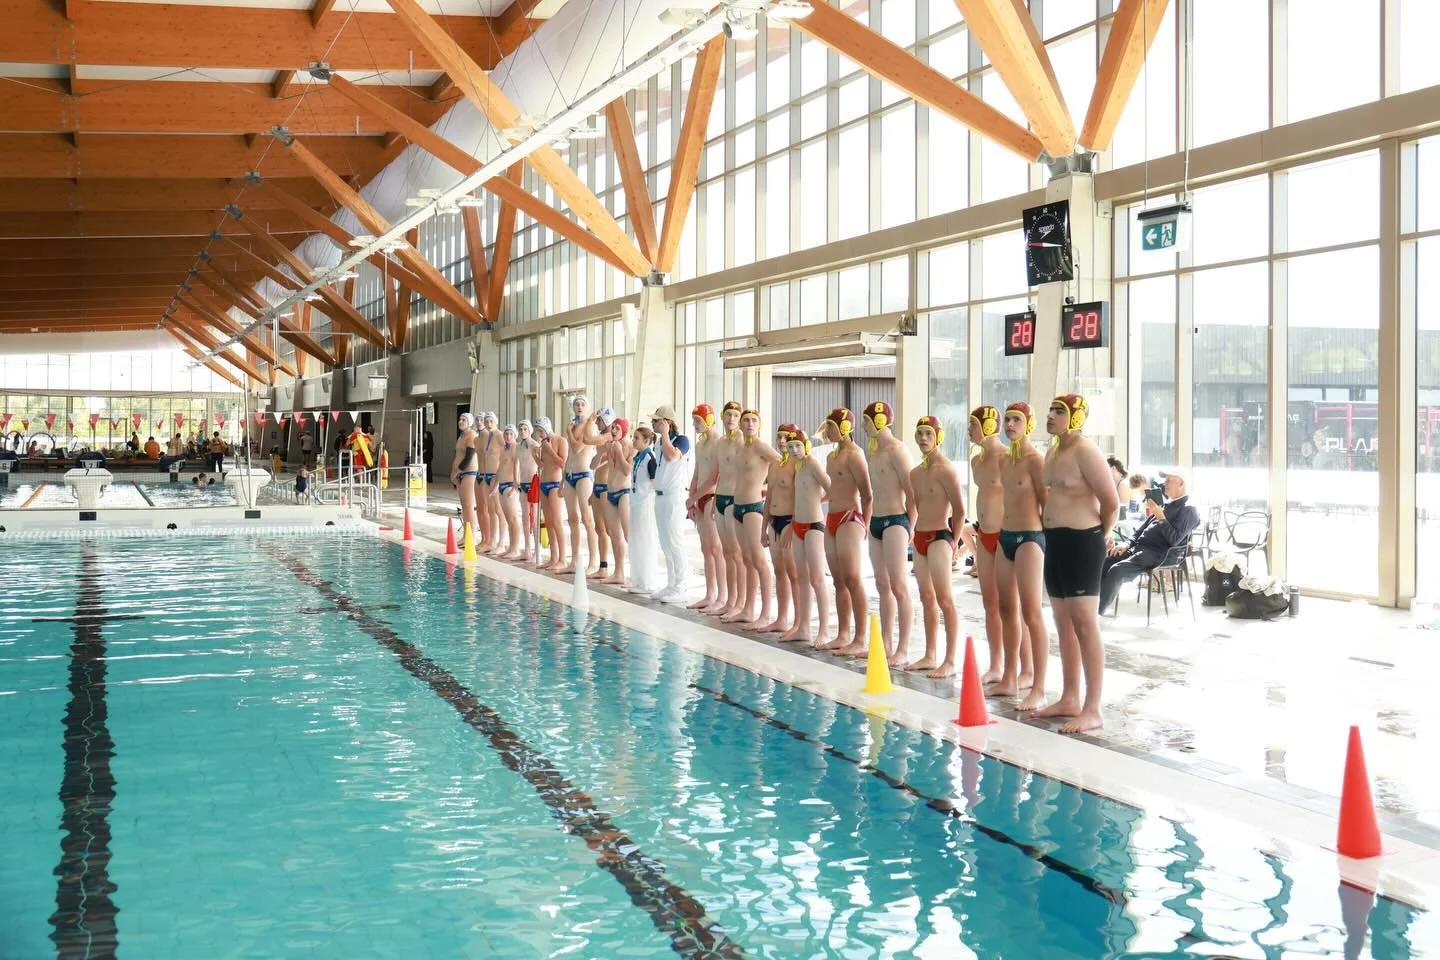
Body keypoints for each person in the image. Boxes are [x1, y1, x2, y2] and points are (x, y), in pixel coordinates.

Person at [1033, 394, 1120, 734]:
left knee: (1085, 623)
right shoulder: (1053, 452)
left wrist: (1100, 536)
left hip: (1084, 541)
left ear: (1075, 418)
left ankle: (1093, 708)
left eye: (1059, 411)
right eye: (1051, 409)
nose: (1051, 416)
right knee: (1063, 623)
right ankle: (1070, 697)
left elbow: (1111, 501)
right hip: (1055, 542)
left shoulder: (1087, 451)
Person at [969, 405, 1030, 690]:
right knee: (990, 605)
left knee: (1014, 608)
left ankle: (1025, 669)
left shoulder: (1008, 457)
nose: (969, 430)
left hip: (1008, 536)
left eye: (973, 425)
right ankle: (996, 665)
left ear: (986, 426)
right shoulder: (976, 462)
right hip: (985, 536)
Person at [997, 403, 1049, 708]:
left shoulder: (1034, 460)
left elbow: (1045, 503)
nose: (1010, 424)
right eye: (1007, 419)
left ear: (1028, 424)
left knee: (1032, 613)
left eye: (1016, 419)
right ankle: (1010, 676)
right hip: (1005, 537)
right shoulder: (1005, 461)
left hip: (1030, 538)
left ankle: (1038, 685)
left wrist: (1047, 543)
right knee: (1007, 610)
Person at [909, 416, 967, 678]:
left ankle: (951, 660)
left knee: (945, 599)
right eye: (920, 433)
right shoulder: (915, 474)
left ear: (938, 437)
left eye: (928, 434)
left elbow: (960, 509)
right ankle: (930, 654)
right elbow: (919, 507)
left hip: (940, 537)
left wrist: (954, 542)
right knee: (926, 598)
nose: (923, 438)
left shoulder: (946, 470)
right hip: (920, 536)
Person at [1099, 471, 1200, 614]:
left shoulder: (1189, 510)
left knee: (1117, 570)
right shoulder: (1165, 506)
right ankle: (1088, 608)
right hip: (1141, 550)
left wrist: (1161, 517)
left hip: (1160, 554)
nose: (1164, 483)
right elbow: (1139, 531)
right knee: (1105, 562)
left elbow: (1174, 540)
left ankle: (1095, 614)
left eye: (1169, 480)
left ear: (1181, 483)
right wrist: (1126, 544)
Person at [861, 401, 914, 664]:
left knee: (899, 585)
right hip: (877, 522)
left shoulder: (897, 450)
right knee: (882, 585)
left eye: (866, 421)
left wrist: (911, 526)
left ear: (879, 422)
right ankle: (886, 642)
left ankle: (903, 649)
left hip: (895, 520)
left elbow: (911, 490)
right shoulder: (874, 450)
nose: (863, 426)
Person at [817, 407, 870, 655]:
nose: (826, 430)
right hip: (832, 517)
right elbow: (835, 488)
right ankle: (843, 634)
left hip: (850, 518)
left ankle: (860, 638)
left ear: (844, 428)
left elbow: (867, 494)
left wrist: (865, 525)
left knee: (853, 578)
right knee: (838, 580)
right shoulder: (831, 456)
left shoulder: (855, 455)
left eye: (830, 426)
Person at [726, 409, 781, 625]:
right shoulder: (742, 447)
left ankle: (766, 613)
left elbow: (782, 464)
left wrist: (767, 488)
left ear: (760, 424)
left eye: (754, 421)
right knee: (747, 560)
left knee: (758, 560)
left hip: (753, 507)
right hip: (738, 506)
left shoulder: (760, 446)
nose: (749, 424)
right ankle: (748, 609)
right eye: (746, 420)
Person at [780, 425, 832, 645]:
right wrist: (792, 524)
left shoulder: (812, 464)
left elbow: (832, 490)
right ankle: (803, 628)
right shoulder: (798, 467)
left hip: (813, 526)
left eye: (797, 446)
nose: (793, 450)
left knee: (817, 578)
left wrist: (816, 503)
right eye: (790, 446)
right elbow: (798, 497)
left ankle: (824, 630)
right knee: (801, 578)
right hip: (798, 525)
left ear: (806, 446)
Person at [649, 406, 694, 602]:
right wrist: (663, 437)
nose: (653, 423)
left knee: (675, 541)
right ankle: (671, 583)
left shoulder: (681, 440)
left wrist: (666, 434)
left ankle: (681, 586)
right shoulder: (660, 442)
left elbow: (672, 457)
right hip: (659, 496)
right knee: (665, 542)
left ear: (666, 422)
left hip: (674, 496)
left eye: (657, 421)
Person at [706, 401, 745, 619]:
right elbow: (715, 475)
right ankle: (730, 601)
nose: (731, 419)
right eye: (728, 414)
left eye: (735, 415)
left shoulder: (744, 442)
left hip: (735, 500)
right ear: (722, 416)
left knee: (737, 554)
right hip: (720, 498)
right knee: (727, 553)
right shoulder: (720, 443)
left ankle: (740, 603)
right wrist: (712, 500)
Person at [759, 423, 800, 634]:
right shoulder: (774, 465)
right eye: (779, 437)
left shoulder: (798, 465)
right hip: (774, 521)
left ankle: (798, 623)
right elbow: (769, 499)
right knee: (779, 571)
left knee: (794, 574)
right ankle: (782, 618)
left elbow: (802, 497)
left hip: (789, 523)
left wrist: (794, 525)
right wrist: (763, 528)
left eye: (786, 438)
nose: (782, 442)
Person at [685, 404, 724, 611]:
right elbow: (697, 473)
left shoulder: (718, 443)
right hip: (700, 498)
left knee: (716, 549)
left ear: (709, 420)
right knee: (706, 549)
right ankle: (710, 594)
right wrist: (691, 498)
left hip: (712, 498)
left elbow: (714, 478)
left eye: (697, 421)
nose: (694, 425)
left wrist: (696, 498)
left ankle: (722, 597)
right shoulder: (700, 445)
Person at [563, 396, 601, 575]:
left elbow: (578, 447)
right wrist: (563, 479)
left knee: (587, 519)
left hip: (584, 475)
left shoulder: (589, 425)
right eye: (576, 404)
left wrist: (569, 432)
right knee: (572, 520)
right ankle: (575, 561)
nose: (579, 407)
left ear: (588, 408)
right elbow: (570, 454)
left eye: (582, 404)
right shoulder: (573, 425)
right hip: (569, 475)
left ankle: (594, 561)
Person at [628, 425, 662, 595]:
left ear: (647, 441)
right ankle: (638, 579)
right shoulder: (637, 457)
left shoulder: (650, 458)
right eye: (633, 437)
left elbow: (655, 483)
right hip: (634, 503)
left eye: (636, 438)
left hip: (645, 504)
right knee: (635, 541)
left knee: (645, 541)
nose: (633, 440)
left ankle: (647, 582)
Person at [533, 417, 569, 572]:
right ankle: (553, 558)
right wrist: (536, 456)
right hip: (544, 484)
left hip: (555, 484)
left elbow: (563, 464)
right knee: (548, 522)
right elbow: (542, 465)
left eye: (541, 431)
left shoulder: (561, 441)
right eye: (538, 431)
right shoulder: (543, 444)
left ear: (547, 428)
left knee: (557, 522)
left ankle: (563, 559)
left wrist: (549, 450)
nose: (539, 434)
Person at [599, 418, 633, 586]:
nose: (613, 431)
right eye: (612, 428)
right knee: (614, 534)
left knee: (628, 535)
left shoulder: (629, 446)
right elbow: (594, 464)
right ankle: (618, 573)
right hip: (610, 491)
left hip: (624, 492)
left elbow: (627, 471)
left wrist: (618, 452)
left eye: (617, 428)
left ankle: (635, 574)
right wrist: (603, 453)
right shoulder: (610, 445)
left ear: (624, 431)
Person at [450, 413, 481, 546]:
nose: (461, 421)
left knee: (469, 507)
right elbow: (457, 456)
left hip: (469, 473)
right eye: (460, 419)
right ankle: (466, 536)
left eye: (464, 420)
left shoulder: (471, 435)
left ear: (469, 422)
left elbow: (468, 458)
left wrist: (457, 471)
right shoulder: (461, 436)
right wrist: (453, 473)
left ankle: (472, 537)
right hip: (461, 474)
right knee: (464, 507)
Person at [497, 424, 525, 560]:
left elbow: (516, 465)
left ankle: (516, 548)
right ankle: (510, 547)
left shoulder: (516, 447)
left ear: (514, 436)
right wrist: (493, 485)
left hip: (510, 485)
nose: (508, 437)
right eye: (506, 434)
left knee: (513, 518)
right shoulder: (503, 448)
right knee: (508, 519)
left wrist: (515, 484)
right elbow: (500, 467)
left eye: (511, 434)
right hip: (502, 485)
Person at [476, 412, 502, 555]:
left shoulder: (498, 434)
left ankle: (500, 542)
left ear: (496, 422)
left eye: (491, 421)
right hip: (486, 476)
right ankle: (491, 541)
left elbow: (510, 451)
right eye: (487, 421)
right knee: (491, 510)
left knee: (498, 511)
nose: (488, 423)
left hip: (495, 477)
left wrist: (504, 474)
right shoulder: (488, 437)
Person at [516, 420, 540, 561]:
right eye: (521, 429)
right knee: (525, 517)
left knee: (535, 517)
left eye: (525, 429)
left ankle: (537, 550)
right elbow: (516, 464)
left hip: (533, 483)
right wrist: (515, 480)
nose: (523, 431)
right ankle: (527, 548)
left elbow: (540, 465)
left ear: (530, 430)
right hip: (523, 483)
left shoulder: (535, 445)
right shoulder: (518, 447)